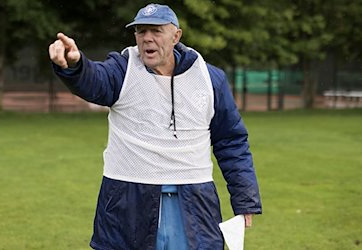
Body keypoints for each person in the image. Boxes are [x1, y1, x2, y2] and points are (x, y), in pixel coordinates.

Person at [49, 3, 262, 250]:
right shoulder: (122, 70)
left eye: (156, 31)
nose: (147, 38)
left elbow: (231, 141)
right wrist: (75, 66)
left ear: (176, 36)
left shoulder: (209, 78)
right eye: (141, 31)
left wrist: (245, 199)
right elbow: (94, 80)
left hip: (193, 204)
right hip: (128, 202)